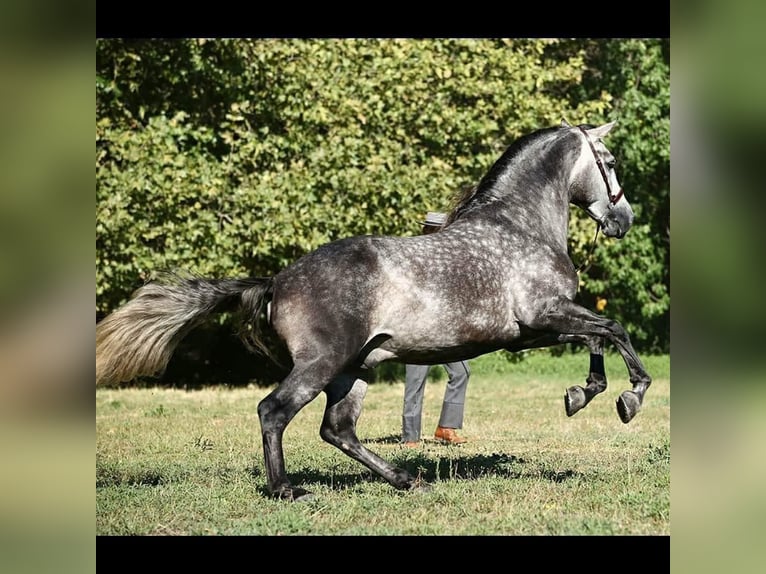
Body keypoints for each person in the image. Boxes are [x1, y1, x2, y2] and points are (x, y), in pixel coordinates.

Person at [401, 211, 471, 447]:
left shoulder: (451, 258)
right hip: (415, 328)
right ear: (428, 231)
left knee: (461, 372)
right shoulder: (412, 255)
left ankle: (446, 428)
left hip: (445, 329)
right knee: (415, 382)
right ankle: (410, 436)